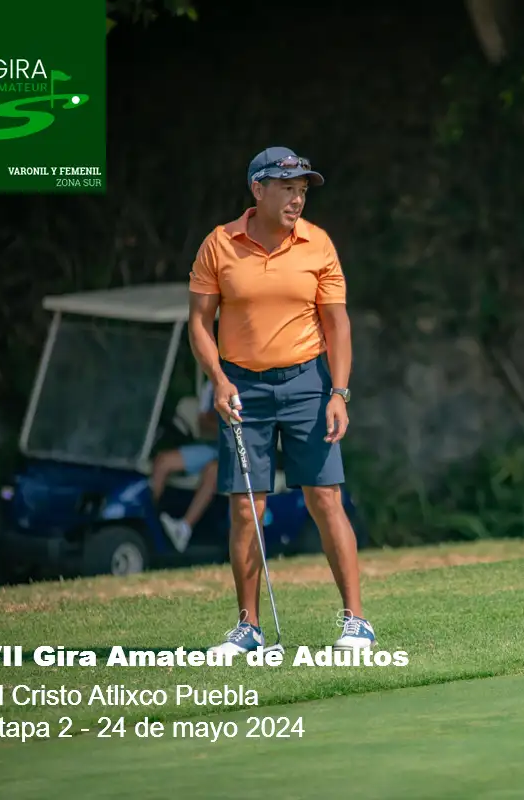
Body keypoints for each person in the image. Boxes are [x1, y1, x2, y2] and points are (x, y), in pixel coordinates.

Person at [187, 146, 375, 655]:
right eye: (287, 188)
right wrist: (218, 380)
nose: (297, 199)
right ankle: (248, 627)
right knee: (246, 507)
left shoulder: (318, 244)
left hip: (308, 383)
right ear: (258, 189)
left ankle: (356, 621)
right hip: (242, 387)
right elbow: (199, 323)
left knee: (325, 497)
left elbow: (337, 324)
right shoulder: (219, 245)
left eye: (302, 190)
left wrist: (339, 392)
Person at [150, 380, 218, 553]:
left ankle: (183, 530)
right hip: (213, 445)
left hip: (241, 450)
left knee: (213, 470)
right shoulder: (211, 386)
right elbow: (203, 425)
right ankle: (148, 522)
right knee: (162, 461)